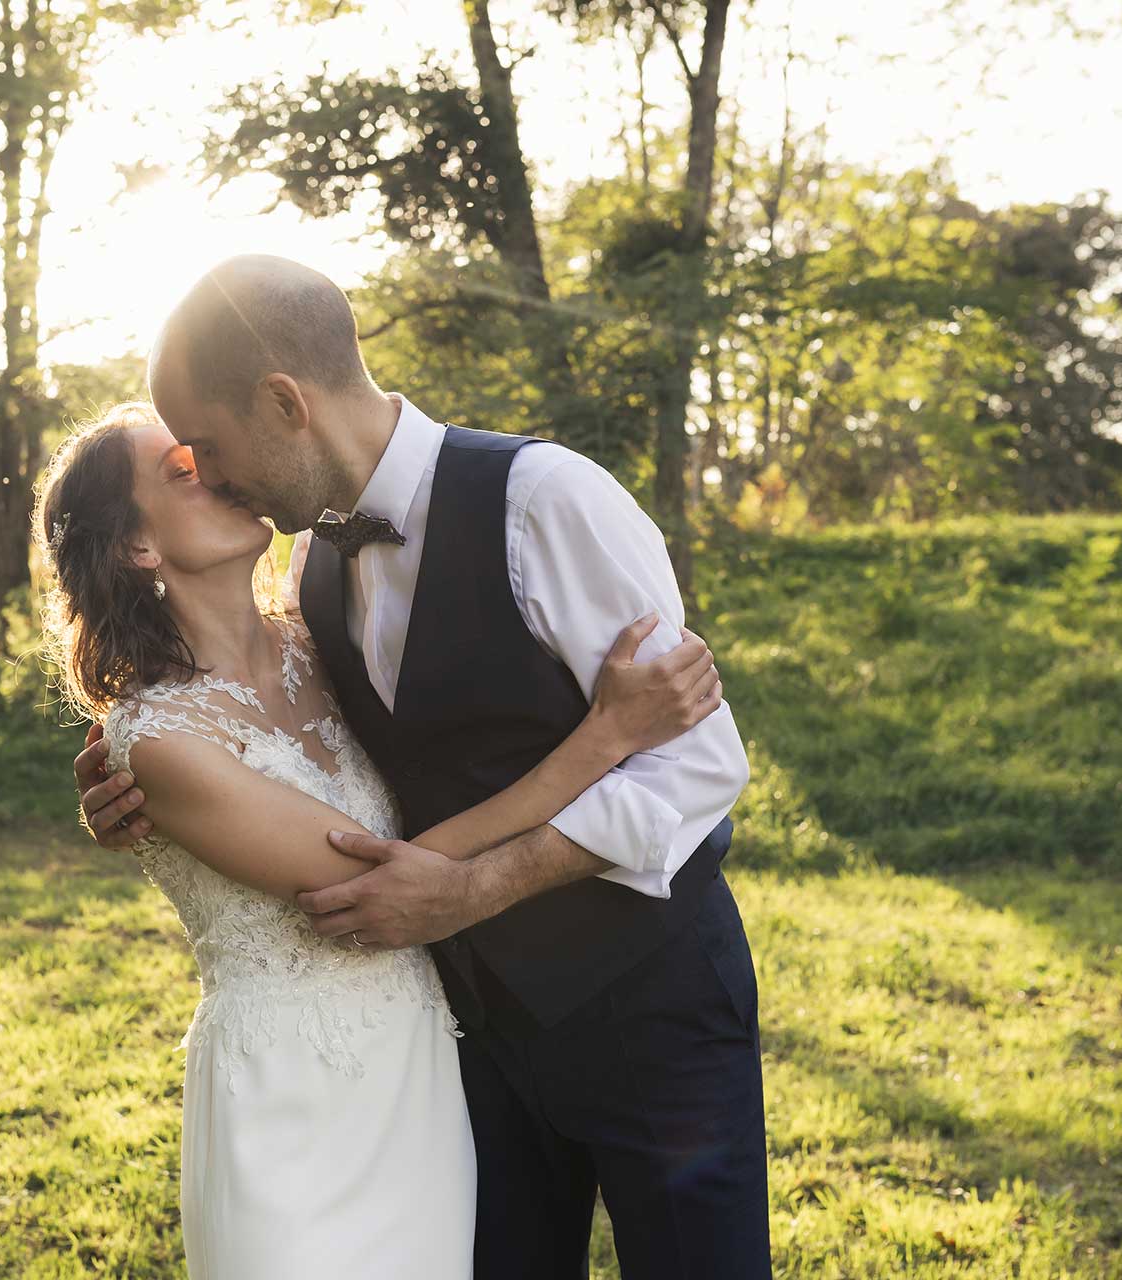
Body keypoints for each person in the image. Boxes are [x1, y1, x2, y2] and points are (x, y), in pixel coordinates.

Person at [77, 256, 769, 1279]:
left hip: (648, 1008)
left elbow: (696, 766)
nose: (213, 478)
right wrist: (138, 786)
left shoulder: (546, 499)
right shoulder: (311, 575)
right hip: (467, 1043)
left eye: (210, 449)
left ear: (285, 403)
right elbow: (276, 758)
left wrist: (481, 886)